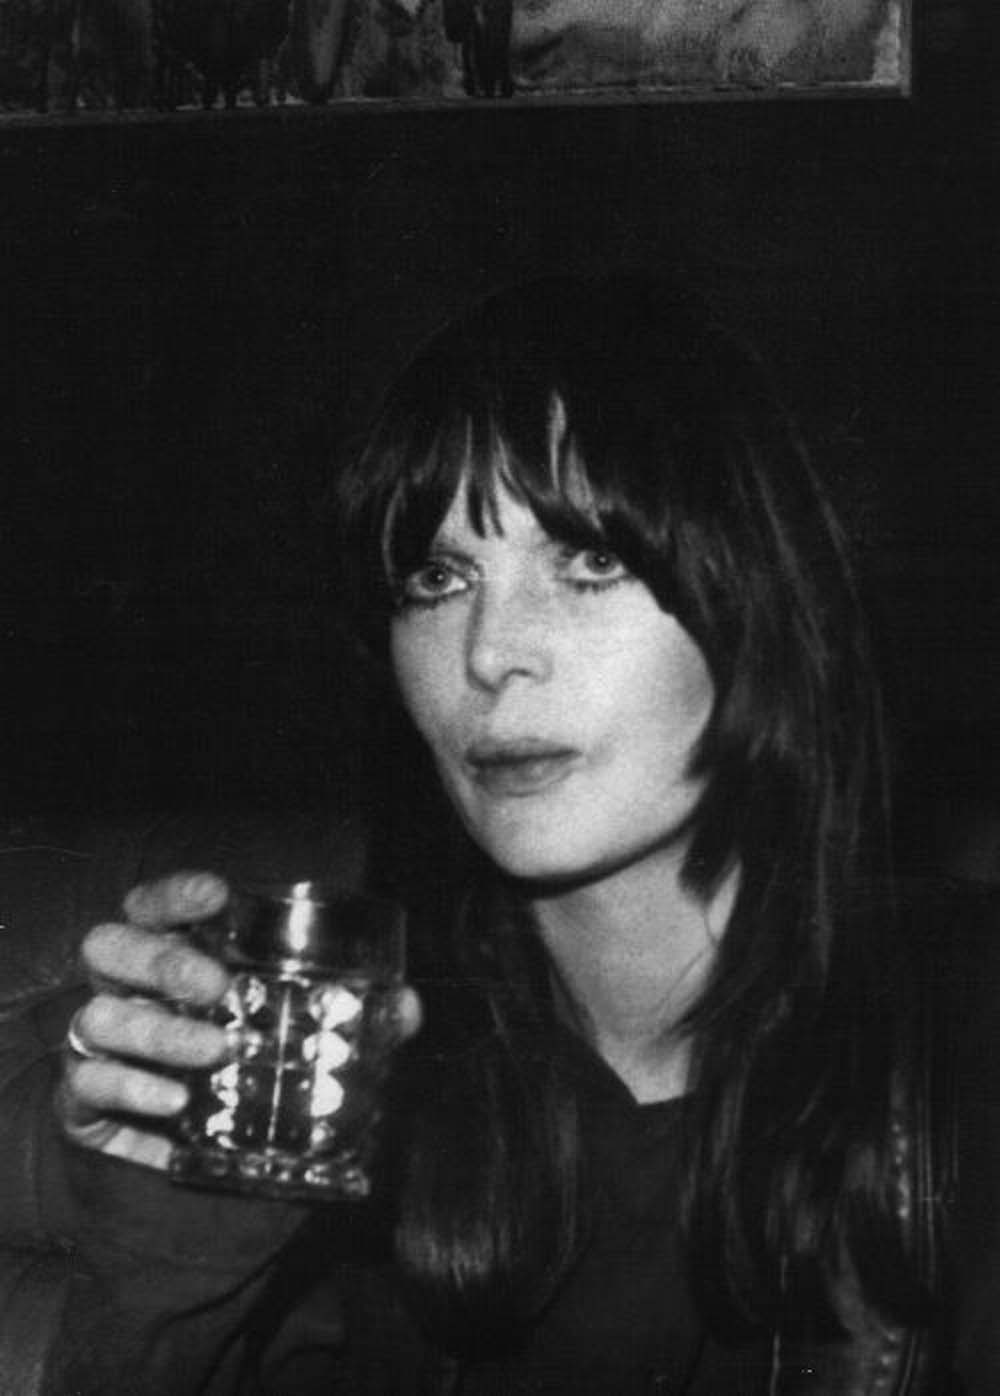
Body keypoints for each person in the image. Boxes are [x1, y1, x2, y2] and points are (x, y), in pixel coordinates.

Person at [1, 273, 995, 1394]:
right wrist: (167, 1280)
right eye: (437, 578)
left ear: (756, 602)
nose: (489, 652)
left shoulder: (960, 1040)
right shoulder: (364, 1085)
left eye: (590, 561)